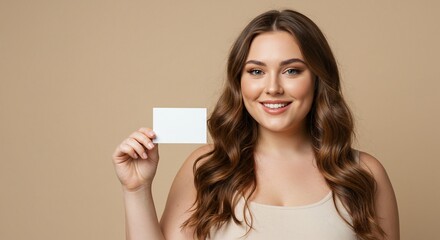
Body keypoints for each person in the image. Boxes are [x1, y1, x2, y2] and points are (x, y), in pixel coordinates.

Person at [112, 9, 399, 240]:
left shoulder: (364, 174)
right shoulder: (206, 167)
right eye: (256, 71)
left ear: (317, 79)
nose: (272, 87)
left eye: (291, 70)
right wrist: (136, 190)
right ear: (240, 81)